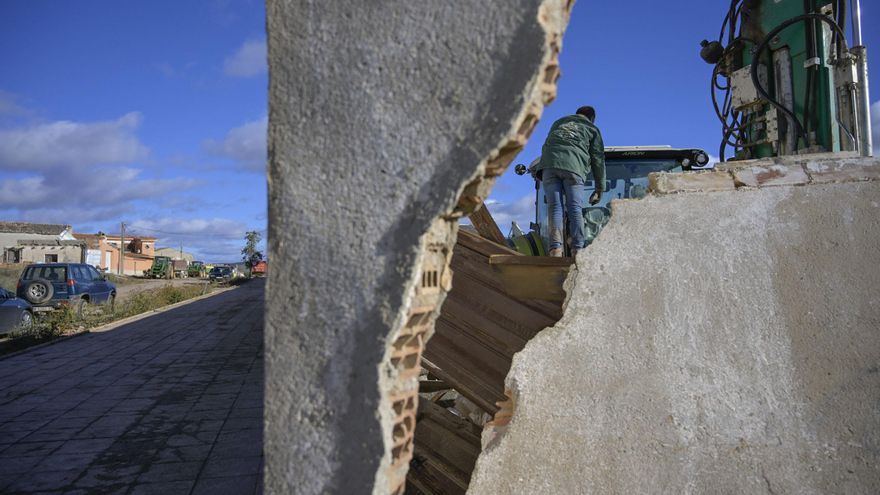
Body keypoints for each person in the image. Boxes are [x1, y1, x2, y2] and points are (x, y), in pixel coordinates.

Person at [534, 105, 606, 257]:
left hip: (549, 165)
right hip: (573, 167)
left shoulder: (559, 122)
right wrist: (600, 188)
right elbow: (598, 159)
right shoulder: (591, 129)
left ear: (577, 114)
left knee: (554, 208)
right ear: (592, 119)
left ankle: (555, 248)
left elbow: (547, 145)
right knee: (574, 208)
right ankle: (578, 249)